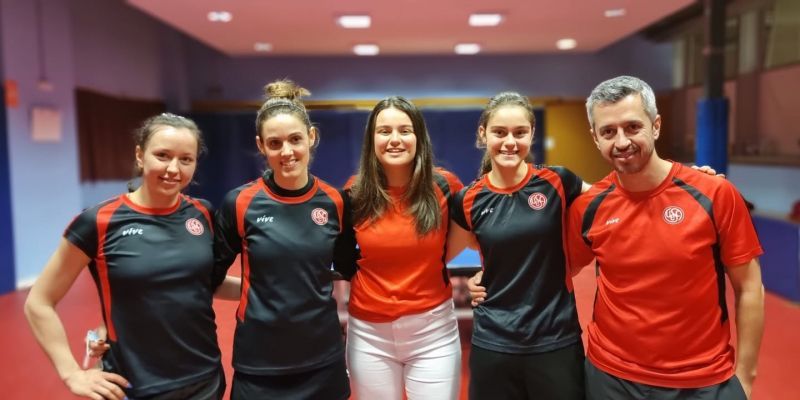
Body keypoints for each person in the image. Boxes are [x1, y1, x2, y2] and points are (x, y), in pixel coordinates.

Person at [567, 75, 764, 399]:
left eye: (632, 127)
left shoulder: (714, 193)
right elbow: (556, 272)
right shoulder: (589, 207)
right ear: (595, 137)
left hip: (703, 380)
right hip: (612, 379)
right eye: (608, 131)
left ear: (655, 125)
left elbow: (749, 287)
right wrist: (487, 279)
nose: (621, 142)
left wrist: (746, 375)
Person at [25, 113, 239, 400]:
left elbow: (205, 283)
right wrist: (71, 373)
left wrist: (275, 287)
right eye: (162, 155)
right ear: (140, 155)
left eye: (185, 159)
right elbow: (39, 302)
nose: (173, 168)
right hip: (132, 386)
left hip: (204, 380)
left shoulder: (203, 213)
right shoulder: (98, 222)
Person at [212, 79, 356, 400]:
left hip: (322, 358)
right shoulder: (240, 203)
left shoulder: (335, 201)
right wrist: (262, 288)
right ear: (261, 146)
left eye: (295, 140)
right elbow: (208, 277)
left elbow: (350, 268)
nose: (287, 152)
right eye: (275, 143)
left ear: (312, 137)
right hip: (259, 362)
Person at [450, 92, 589, 400]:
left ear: (532, 134)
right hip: (494, 343)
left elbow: (615, 199)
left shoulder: (558, 182)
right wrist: (469, 280)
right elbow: (439, 257)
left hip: (555, 339)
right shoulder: (468, 200)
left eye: (519, 133)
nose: (510, 142)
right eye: (499, 132)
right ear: (483, 133)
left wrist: (685, 178)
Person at [345, 96, 473, 399]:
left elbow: (479, 235)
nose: (395, 139)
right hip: (369, 334)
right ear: (371, 139)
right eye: (384, 131)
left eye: (405, 130)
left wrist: (486, 274)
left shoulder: (445, 185)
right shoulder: (354, 193)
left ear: (419, 137)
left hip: (433, 331)